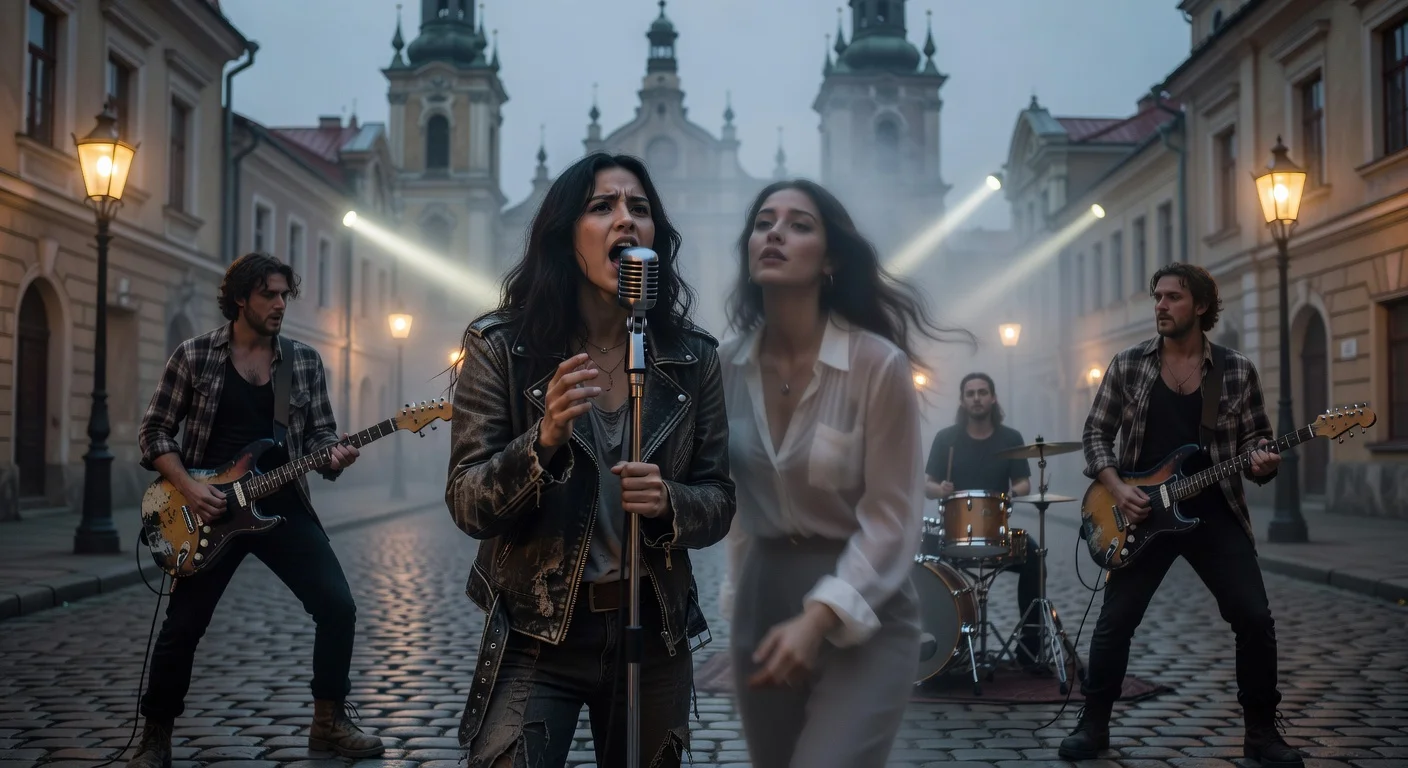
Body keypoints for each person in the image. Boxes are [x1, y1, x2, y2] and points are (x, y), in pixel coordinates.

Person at [446, 152, 735, 768]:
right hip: (537, 632)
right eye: (601, 207)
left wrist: (670, 503)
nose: (625, 221)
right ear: (563, 234)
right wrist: (543, 440)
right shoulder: (501, 347)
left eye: (640, 208)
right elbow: (468, 502)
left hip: (654, 632)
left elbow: (719, 498)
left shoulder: (694, 358)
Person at [720, 179, 967, 767]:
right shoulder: (726, 365)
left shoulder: (876, 364)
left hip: (867, 610)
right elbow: (730, 503)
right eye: (763, 222)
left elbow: (892, 517)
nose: (775, 232)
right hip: (763, 600)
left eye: (799, 224)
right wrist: (739, 599)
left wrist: (816, 618)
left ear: (830, 258)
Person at [129, 253, 379, 767]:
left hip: (281, 505)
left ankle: (328, 721)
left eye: (286, 294)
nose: (281, 304)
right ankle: (155, 735)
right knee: (183, 628)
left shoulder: (303, 361)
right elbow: (154, 431)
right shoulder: (195, 356)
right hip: (208, 511)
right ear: (240, 298)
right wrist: (189, 487)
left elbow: (321, 437)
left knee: (338, 607)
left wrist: (336, 455)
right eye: (270, 294)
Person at [1061, 262, 1303, 768]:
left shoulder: (1235, 370)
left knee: (1254, 618)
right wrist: (1116, 487)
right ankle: (1094, 724)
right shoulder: (1129, 364)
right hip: (1142, 513)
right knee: (1114, 623)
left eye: (1172, 297)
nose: (1160, 306)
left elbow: (1257, 443)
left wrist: (1264, 461)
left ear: (1199, 306)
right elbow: (1094, 435)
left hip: (1213, 512)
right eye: (1157, 297)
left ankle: (1261, 733)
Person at [923, 372, 1045, 671]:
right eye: (970, 393)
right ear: (962, 401)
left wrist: (1010, 492)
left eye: (982, 392)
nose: (976, 398)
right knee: (921, 564)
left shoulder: (1010, 438)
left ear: (993, 398)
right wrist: (941, 490)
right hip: (954, 535)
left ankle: (1029, 648)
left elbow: (1024, 484)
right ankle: (935, 646)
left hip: (997, 532)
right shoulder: (946, 439)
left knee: (1035, 560)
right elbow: (928, 485)